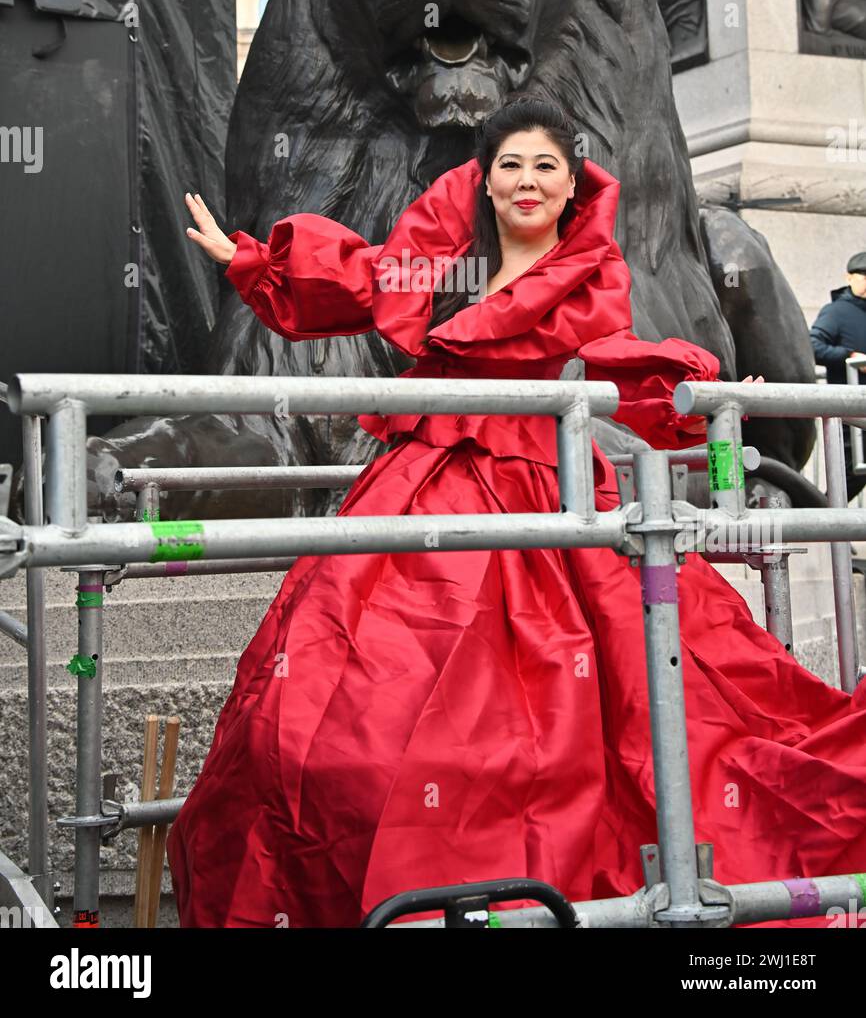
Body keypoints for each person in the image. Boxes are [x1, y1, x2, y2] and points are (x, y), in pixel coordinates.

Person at [167, 97, 866, 928]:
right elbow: (364, 279)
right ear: (486, 181)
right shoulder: (446, 261)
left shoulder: (595, 270)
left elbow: (615, 367)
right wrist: (248, 260)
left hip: (541, 490)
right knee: (323, 719)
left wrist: (704, 400)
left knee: (623, 719)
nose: (527, 181)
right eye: (510, 166)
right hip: (418, 485)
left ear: (572, 183)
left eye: (545, 167)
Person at [810, 251, 866, 498]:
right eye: (862, 275)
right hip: (849, 412)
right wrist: (850, 357)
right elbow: (813, 345)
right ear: (849, 277)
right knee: (851, 474)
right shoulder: (836, 311)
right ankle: (817, 520)